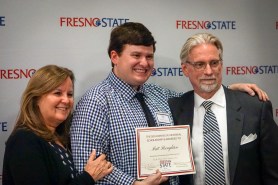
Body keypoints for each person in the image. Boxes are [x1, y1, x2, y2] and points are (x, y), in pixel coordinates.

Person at [70, 22, 269, 185]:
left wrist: (229, 91)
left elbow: (201, 96)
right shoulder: (94, 103)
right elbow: (86, 167)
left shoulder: (162, 96)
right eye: (136, 55)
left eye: (149, 56)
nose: (145, 63)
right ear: (115, 56)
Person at [168, 33, 278, 185]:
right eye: (200, 64)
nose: (209, 71)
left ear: (221, 65)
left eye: (214, 63)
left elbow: (273, 173)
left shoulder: (256, 108)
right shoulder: (173, 109)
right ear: (185, 69)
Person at [2, 65, 113, 185]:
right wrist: (88, 177)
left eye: (69, 94)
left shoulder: (64, 138)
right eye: (57, 93)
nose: (66, 100)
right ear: (36, 98)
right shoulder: (23, 141)